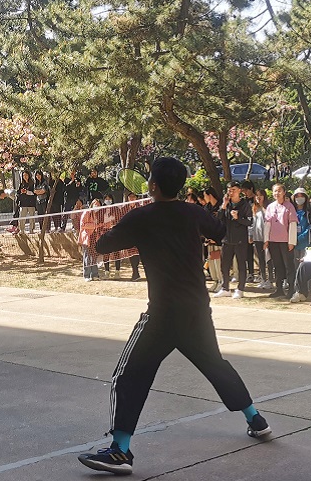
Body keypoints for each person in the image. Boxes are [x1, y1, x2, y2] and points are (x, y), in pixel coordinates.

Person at [77, 157, 270, 476]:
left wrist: (118, 222)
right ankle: (256, 419)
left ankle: (120, 450)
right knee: (215, 365)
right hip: (197, 310)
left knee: (128, 375)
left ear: (152, 186)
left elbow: (103, 245)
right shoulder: (192, 212)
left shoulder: (141, 216)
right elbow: (219, 230)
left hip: (163, 316)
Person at [214, 181, 253, 299]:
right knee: (224, 265)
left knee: (241, 265)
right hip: (227, 239)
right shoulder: (226, 204)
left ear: (239, 191)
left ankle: (240, 289)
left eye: (233, 190)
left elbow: (249, 221)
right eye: (229, 190)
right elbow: (218, 218)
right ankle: (225, 288)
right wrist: (224, 205)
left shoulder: (245, 205)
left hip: (240, 240)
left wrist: (238, 218)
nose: (231, 193)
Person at [264, 184, 298, 298]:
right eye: (275, 191)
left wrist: (291, 242)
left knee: (288, 265)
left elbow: (292, 224)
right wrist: (266, 240)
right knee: (277, 265)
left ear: (284, 192)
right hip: (273, 241)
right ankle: (279, 288)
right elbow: (267, 224)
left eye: (279, 191)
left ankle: (291, 289)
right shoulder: (270, 207)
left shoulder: (289, 206)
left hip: (285, 241)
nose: (277, 193)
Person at [251, 189, 274, 290]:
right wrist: (251, 235)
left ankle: (270, 280)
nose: (258, 197)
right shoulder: (255, 208)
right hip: (257, 238)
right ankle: (263, 279)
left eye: (260, 195)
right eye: (256, 196)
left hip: (267, 238)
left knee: (268, 259)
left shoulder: (268, 208)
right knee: (260, 259)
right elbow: (253, 224)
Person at [79, 198, 103, 281]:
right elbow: (82, 225)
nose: (97, 206)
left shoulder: (98, 214)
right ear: (92, 204)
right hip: (87, 237)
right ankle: (87, 275)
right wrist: (94, 225)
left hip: (95, 237)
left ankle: (95, 275)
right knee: (87, 257)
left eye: (98, 204)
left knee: (94, 256)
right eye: (95, 204)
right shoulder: (87, 212)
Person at [240, 180, 257, 286]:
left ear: (251, 189)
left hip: (256, 227)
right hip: (246, 228)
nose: (244, 193)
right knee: (247, 252)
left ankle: (259, 273)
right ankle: (250, 272)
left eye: (246, 190)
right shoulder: (244, 201)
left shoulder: (256, 199)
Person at [292, 187, 311, 262]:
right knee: (294, 262)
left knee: (304, 262)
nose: (299, 198)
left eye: (302, 196)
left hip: (305, 241)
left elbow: (310, 225)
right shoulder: (291, 211)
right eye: (297, 196)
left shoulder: (309, 211)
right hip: (293, 242)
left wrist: (301, 237)